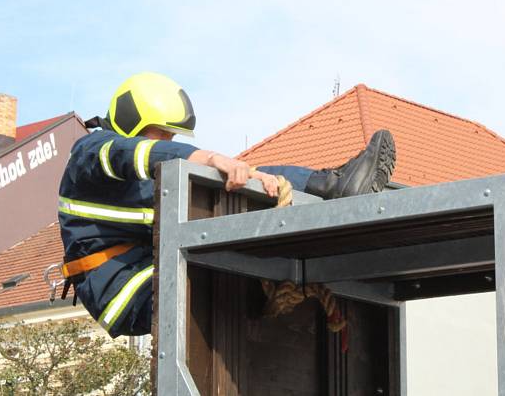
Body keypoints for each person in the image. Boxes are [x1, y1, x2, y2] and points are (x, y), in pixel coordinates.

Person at [57, 72, 396, 337]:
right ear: (131, 122)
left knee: (241, 180)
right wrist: (208, 158)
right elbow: (134, 154)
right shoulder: (90, 154)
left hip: (146, 268)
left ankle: (331, 185)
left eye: (173, 138)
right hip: (125, 290)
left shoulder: (136, 186)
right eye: (161, 134)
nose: (169, 144)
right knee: (215, 184)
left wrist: (253, 180)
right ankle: (333, 187)